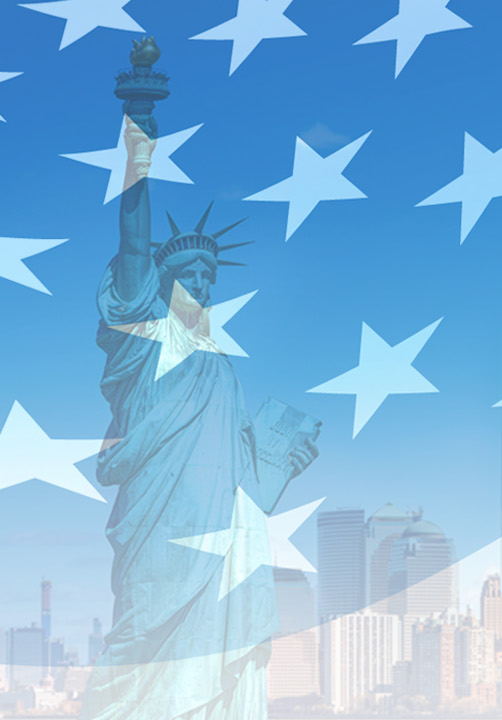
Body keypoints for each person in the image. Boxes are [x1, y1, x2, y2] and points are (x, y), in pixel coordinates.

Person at [82, 105, 320, 717]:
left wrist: (284, 463)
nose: (204, 287)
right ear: (160, 283)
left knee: (210, 670)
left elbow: (242, 486)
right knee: (137, 643)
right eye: (190, 274)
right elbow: (133, 245)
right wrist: (139, 155)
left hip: (218, 542)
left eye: (210, 277)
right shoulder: (141, 342)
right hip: (157, 533)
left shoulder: (223, 370)